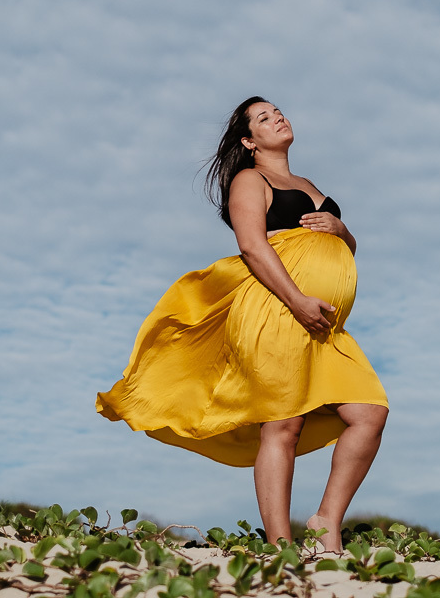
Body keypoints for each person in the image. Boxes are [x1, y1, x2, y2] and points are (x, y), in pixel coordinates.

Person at [96, 97, 388, 551]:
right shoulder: (250, 180)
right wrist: (296, 300)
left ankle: (326, 520)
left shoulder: (309, 183)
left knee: (370, 413)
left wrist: (341, 228)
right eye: (264, 118)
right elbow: (252, 246)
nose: (278, 117)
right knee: (283, 424)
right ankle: (279, 545)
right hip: (278, 309)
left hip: (324, 326)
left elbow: (347, 247)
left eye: (279, 111)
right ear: (249, 141)